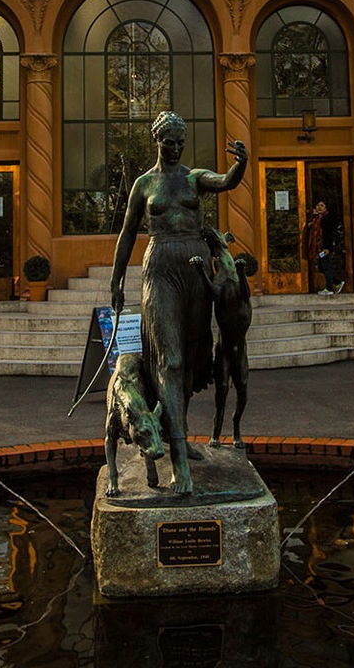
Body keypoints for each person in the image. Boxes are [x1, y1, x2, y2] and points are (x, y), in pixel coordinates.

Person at [109, 112, 248, 495]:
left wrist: (241, 165)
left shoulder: (193, 178)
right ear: (157, 140)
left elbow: (223, 182)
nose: (174, 148)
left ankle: (178, 436)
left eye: (179, 142)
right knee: (169, 359)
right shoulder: (144, 184)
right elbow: (126, 235)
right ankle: (180, 464)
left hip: (195, 269)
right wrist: (116, 279)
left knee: (190, 356)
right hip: (160, 270)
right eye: (168, 141)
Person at [303, 201, 344, 294]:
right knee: (322, 266)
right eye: (317, 205)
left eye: (322, 206)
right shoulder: (317, 219)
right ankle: (337, 282)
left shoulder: (327, 219)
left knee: (326, 266)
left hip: (324, 247)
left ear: (326, 208)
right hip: (318, 248)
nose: (319, 207)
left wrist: (327, 248)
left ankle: (329, 288)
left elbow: (328, 234)